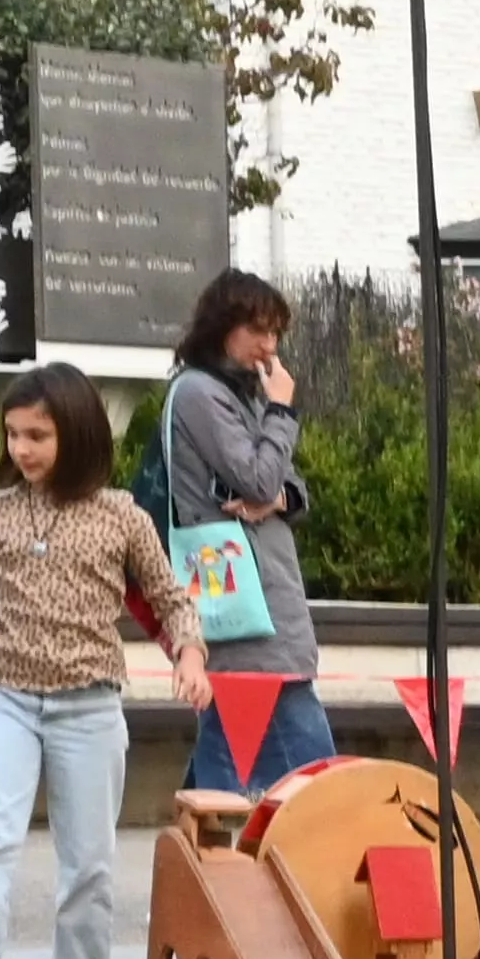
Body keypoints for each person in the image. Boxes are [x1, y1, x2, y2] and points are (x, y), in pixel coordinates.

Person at [0, 361, 202, 959]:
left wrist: (190, 653)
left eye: (37, 436)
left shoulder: (121, 516)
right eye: (14, 435)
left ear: (75, 434)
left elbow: (169, 597)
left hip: (90, 706)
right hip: (8, 701)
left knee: (89, 870)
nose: (22, 449)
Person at [161, 273, 333, 798]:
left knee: (225, 773)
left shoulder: (243, 395)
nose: (270, 346)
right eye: (258, 330)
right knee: (317, 785)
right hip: (246, 616)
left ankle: (198, 867)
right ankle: (214, 865)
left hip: (262, 607)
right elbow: (258, 475)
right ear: (222, 328)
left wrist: (279, 498)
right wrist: (282, 411)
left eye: (276, 332)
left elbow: (289, 485)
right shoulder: (199, 393)